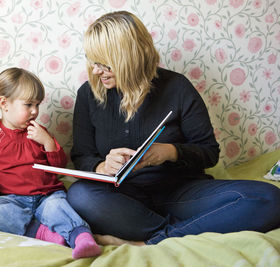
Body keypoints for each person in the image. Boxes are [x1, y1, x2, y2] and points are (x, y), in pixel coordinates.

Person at [66, 11, 280, 246]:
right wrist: (102, 166)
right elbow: (82, 156)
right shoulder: (88, 94)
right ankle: (186, 228)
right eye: (92, 61)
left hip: (182, 193)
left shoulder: (177, 87)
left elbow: (209, 152)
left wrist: (169, 152)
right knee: (79, 195)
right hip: (123, 198)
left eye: (104, 63)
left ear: (129, 57)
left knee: (269, 198)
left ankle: (153, 239)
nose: (96, 71)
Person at [0, 67, 101, 258]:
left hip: (47, 195)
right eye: (28, 105)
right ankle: (41, 233)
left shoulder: (38, 132)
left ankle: (82, 237)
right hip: (14, 200)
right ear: (4, 103)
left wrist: (48, 142)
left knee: (57, 207)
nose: (35, 111)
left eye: (37, 105)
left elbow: (59, 168)